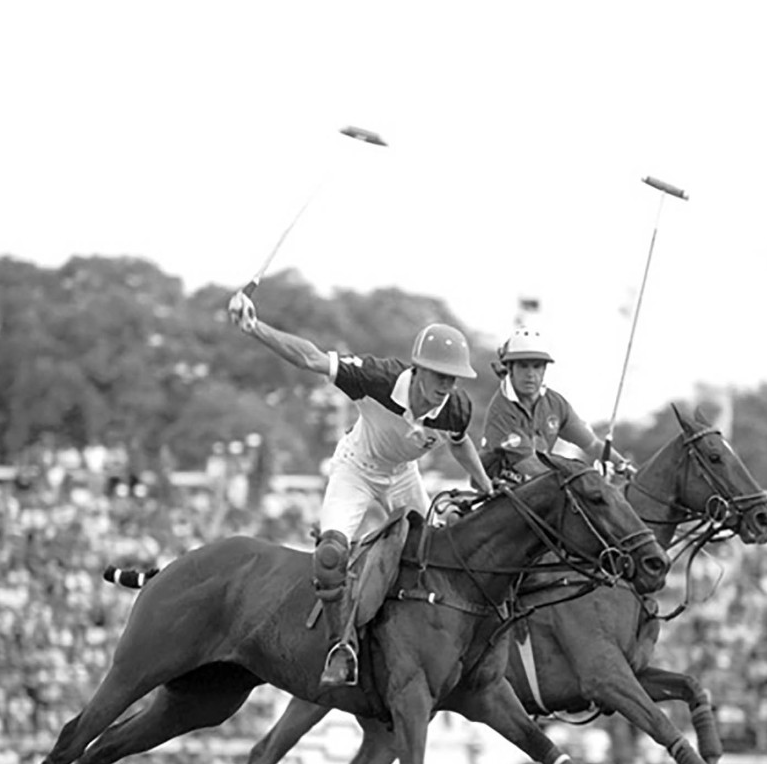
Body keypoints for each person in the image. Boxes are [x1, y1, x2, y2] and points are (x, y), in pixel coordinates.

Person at [228, 291, 493, 687]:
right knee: (331, 555)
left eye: (453, 378)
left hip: (403, 475)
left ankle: (419, 641)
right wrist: (254, 327)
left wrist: (484, 484)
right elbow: (311, 358)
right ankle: (341, 648)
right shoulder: (376, 379)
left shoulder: (456, 408)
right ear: (418, 369)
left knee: (433, 555)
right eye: (440, 375)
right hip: (356, 470)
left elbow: (459, 442)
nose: (446, 386)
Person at [479, 326, 629, 481]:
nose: (530, 374)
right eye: (523, 366)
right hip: (500, 487)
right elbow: (529, 465)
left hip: (542, 483)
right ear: (510, 368)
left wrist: (622, 465)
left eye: (536, 366)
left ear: (544, 370)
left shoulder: (555, 404)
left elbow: (592, 445)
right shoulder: (501, 411)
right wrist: (579, 481)